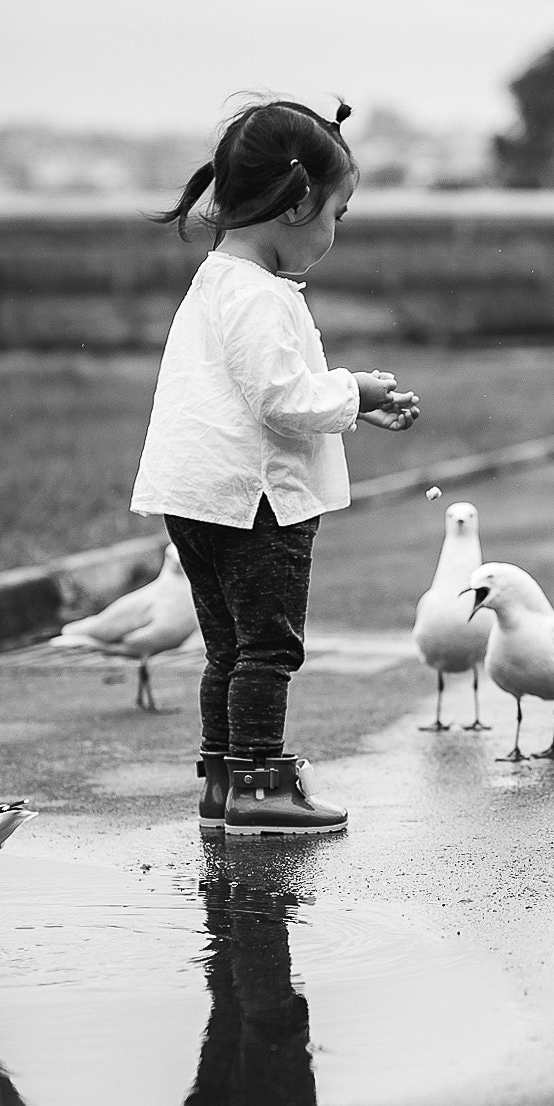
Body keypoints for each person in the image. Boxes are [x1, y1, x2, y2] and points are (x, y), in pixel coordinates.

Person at [133, 96, 419, 835]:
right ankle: (261, 788)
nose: (335, 232)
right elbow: (281, 400)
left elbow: (261, 393)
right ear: (295, 205)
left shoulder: (216, 279)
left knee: (227, 648)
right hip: (253, 500)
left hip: (197, 496)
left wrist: (355, 403)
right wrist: (355, 388)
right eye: (337, 214)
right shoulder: (258, 295)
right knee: (268, 646)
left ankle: (224, 783)